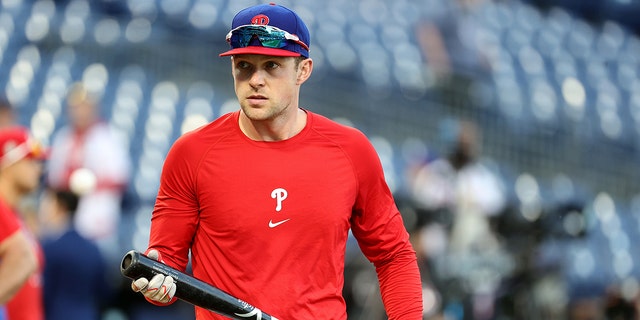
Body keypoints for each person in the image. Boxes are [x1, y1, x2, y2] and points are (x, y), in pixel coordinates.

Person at [130, 3, 423, 319]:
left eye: (271, 66)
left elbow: (393, 255)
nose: (255, 79)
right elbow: (165, 268)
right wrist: (156, 284)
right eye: (244, 66)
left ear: (303, 70)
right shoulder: (191, 153)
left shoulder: (352, 150)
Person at [46, 82, 131, 264]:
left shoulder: (108, 138)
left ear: (94, 108)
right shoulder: (64, 137)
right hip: (65, 220)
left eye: (85, 107)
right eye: (76, 107)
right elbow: (54, 180)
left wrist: (89, 182)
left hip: (95, 220)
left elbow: (120, 179)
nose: (80, 112)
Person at [38, 184, 109, 320]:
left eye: (47, 204)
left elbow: (44, 291)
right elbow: (104, 291)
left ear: (60, 207)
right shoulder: (92, 248)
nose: (43, 210)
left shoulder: (50, 247)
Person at [0, 126, 48, 320]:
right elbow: (23, 258)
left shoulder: (15, 214)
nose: (39, 168)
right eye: (30, 160)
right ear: (7, 162)